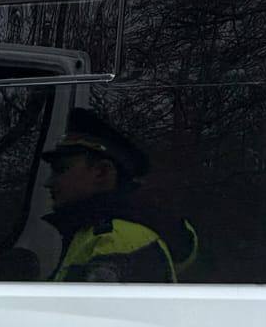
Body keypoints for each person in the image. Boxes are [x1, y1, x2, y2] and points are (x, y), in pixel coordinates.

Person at [42, 109, 197, 282]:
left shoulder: (116, 243)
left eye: (61, 169)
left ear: (101, 172)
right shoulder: (94, 233)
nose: (49, 182)